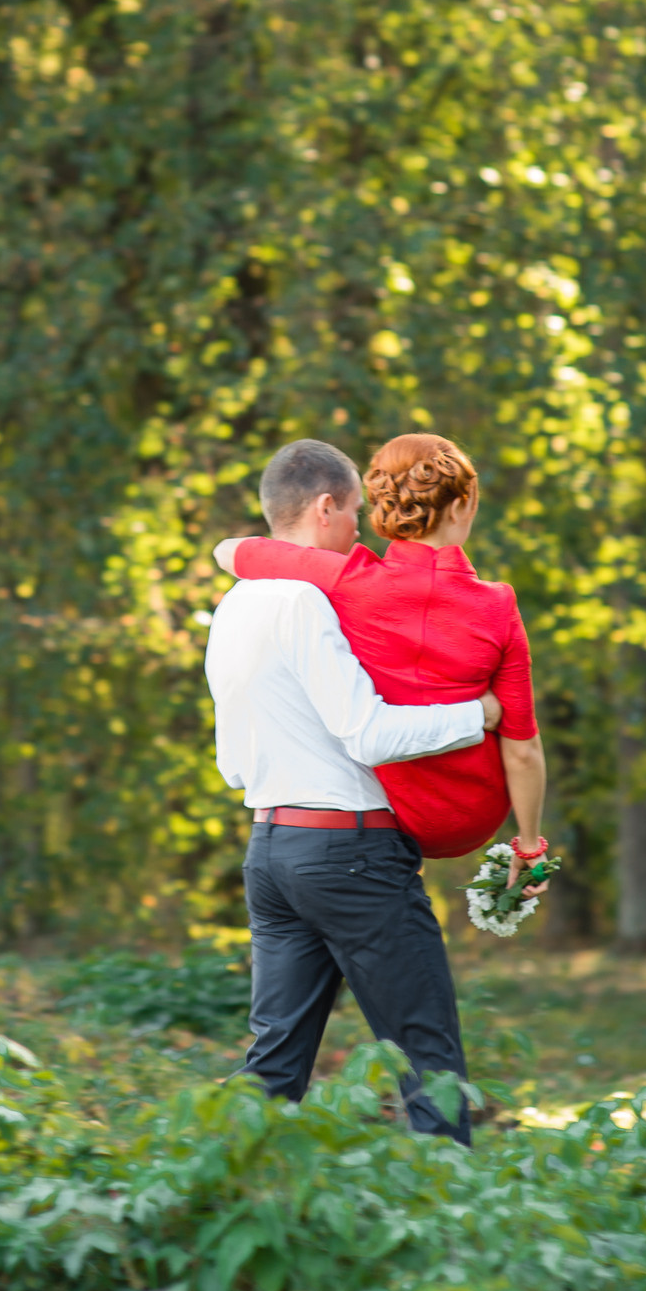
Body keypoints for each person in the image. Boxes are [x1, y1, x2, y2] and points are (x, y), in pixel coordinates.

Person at [208, 438, 504, 1143]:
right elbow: (368, 733)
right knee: (429, 1057)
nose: (362, 532)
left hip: (270, 850)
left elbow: (233, 767)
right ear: (325, 507)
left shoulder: (234, 606)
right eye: (355, 514)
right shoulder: (306, 602)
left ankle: (216, 1187)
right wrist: (479, 714)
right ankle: (450, 1202)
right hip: (351, 854)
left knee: (273, 1065)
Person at [213, 432, 548, 869]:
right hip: (474, 814)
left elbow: (230, 553)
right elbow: (522, 749)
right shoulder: (498, 605)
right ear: (462, 506)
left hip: (395, 811)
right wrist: (529, 845)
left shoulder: (348, 577)